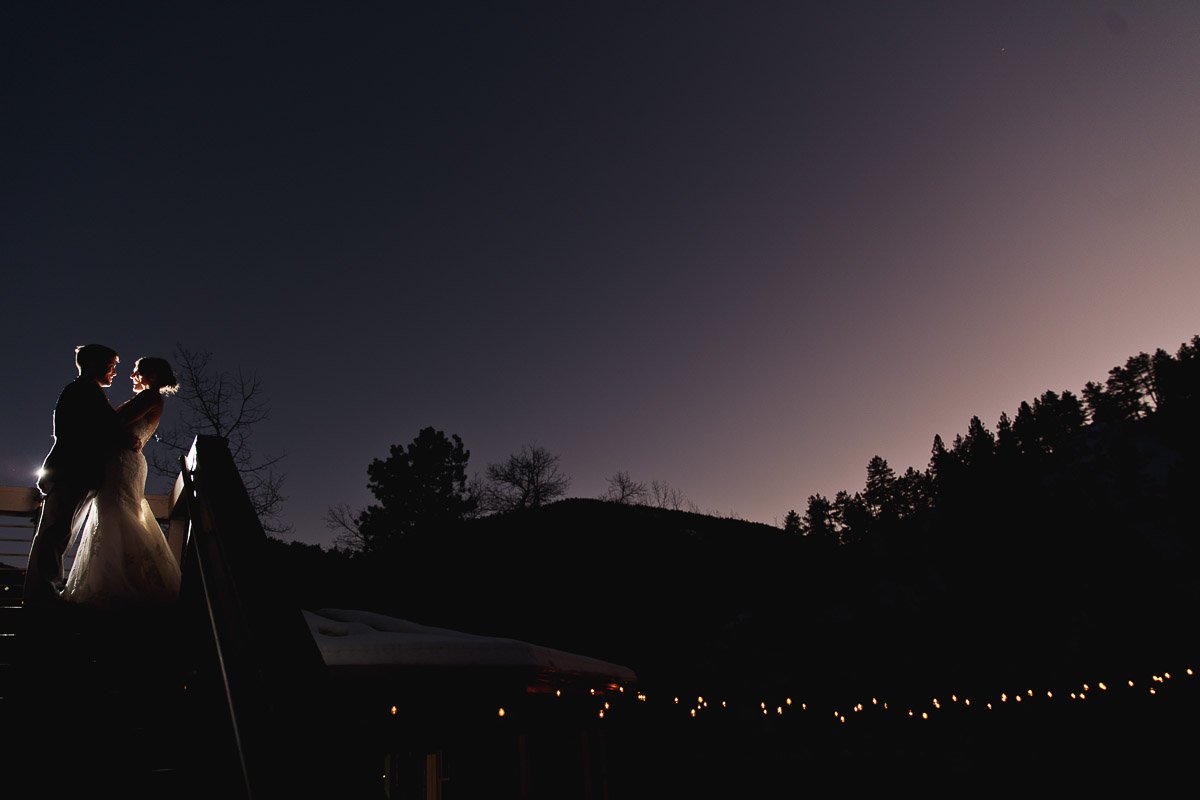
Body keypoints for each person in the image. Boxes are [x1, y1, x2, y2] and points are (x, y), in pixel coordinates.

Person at [61, 356, 183, 608]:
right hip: (122, 462)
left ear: (153, 375)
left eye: (137, 371)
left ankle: (121, 584)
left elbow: (114, 423)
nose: (131, 376)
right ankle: (120, 579)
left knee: (116, 514)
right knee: (115, 514)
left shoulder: (149, 397)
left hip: (122, 463)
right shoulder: (149, 398)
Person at [23, 344, 137, 608]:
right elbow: (107, 427)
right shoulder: (86, 391)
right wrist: (128, 439)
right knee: (56, 533)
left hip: (71, 471)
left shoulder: (81, 390)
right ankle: (43, 595)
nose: (115, 372)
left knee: (57, 533)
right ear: (96, 364)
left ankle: (42, 593)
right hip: (74, 472)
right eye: (111, 365)